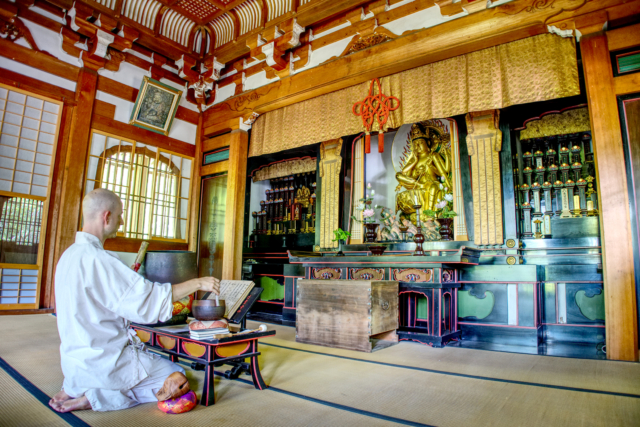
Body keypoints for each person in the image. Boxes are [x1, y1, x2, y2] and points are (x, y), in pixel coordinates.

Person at [49, 188, 220, 412]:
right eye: (120, 215)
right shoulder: (99, 259)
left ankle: (75, 387)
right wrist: (198, 283)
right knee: (177, 377)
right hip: (106, 359)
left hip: (76, 361)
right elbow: (150, 300)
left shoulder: (69, 255)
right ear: (106, 216)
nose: (121, 222)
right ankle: (96, 397)